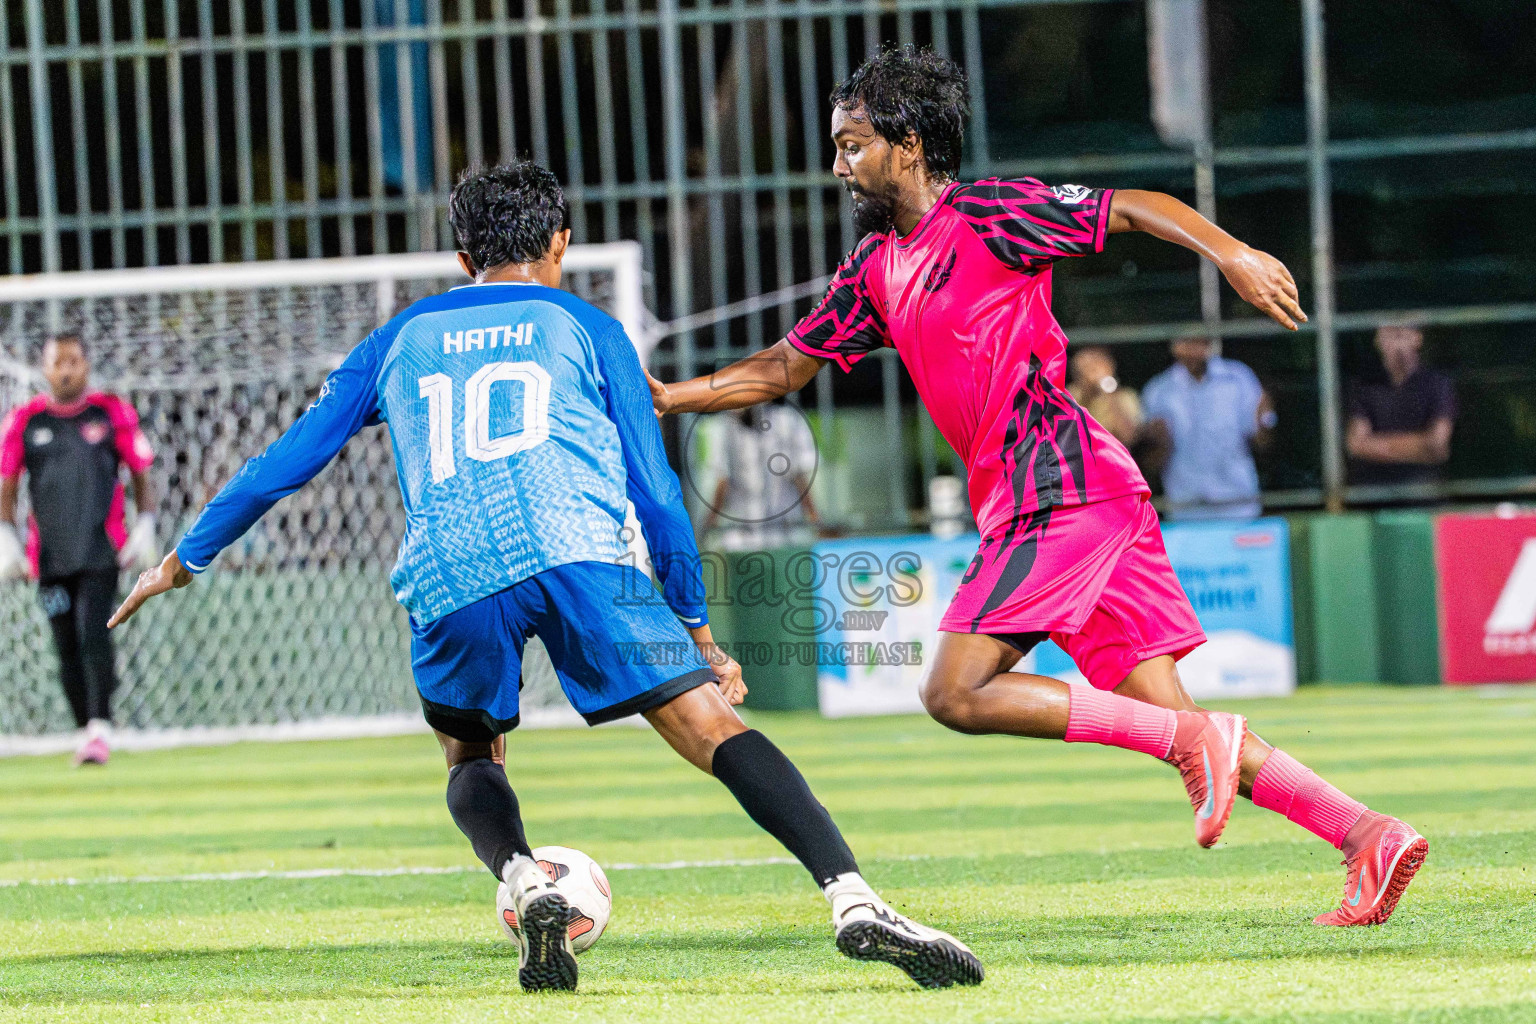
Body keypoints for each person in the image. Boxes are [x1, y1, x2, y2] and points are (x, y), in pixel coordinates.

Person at [108, 162, 982, 992]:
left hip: (452, 569)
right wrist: (699, 630)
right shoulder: (592, 330)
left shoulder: (399, 338)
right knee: (711, 728)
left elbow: (281, 465)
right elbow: (658, 495)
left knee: (469, 752)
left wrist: (182, 560)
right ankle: (852, 899)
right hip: (582, 556)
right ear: (560, 242)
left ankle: (526, 882)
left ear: (461, 259)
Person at [649, 46, 1427, 927]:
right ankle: (1366, 833)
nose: (839, 165)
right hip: (1073, 497)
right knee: (1171, 720)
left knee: (955, 692)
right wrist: (675, 394)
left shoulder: (991, 215)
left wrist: (1231, 251)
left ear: (906, 144)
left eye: (853, 145)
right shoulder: (876, 265)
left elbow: (1131, 208)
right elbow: (791, 364)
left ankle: (1207, 747)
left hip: (1057, 483)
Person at [0, 335, 158, 766]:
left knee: (94, 632)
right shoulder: (25, 421)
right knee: (65, 643)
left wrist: (145, 524)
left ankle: (100, 727)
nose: (66, 369)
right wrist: (6, 535)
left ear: (86, 365)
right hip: (48, 558)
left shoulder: (111, 413)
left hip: (101, 552)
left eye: (73, 360)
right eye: (57, 362)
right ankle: (85, 730)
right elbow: (7, 482)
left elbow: (141, 471)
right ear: (45, 369)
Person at [1141, 336, 1275, 520]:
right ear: (1175, 347)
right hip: (1185, 505)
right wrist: (1157, 443)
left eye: (1200, 342)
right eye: (1186, 343)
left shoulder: (1238, 377)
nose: (1193, 349)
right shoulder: (1158, 390)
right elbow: (1151, 460)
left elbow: (1261, 440)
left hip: (1237, 501)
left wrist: (1266, 419)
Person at [701, 402, 824, 550]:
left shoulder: (788, 420)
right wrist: (707, 527)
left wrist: (816, 520)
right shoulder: (723, 426)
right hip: (740, 541)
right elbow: (722, 483)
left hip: (785, 537)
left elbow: (801, 479)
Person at [1346, 325, 1455, 490]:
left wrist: (1375, 444)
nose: (1396, 345)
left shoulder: (1437, 384)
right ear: (1378, 341)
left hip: (1423, 488)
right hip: (1371, 489)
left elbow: (1438, 445)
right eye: (1388, 336)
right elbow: (1356, 445)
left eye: (1400, 335)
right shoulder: (1364, 387)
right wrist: (1419, 446)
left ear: (1417, 339)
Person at [1067, 345, 1143, 449]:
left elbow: (1129, 436)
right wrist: (1087, 391)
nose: (1089, 373)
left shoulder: (1125, 396)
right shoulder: (1071, 394)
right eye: (1084, 368)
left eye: (1094, 367)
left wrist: (1106, 385)